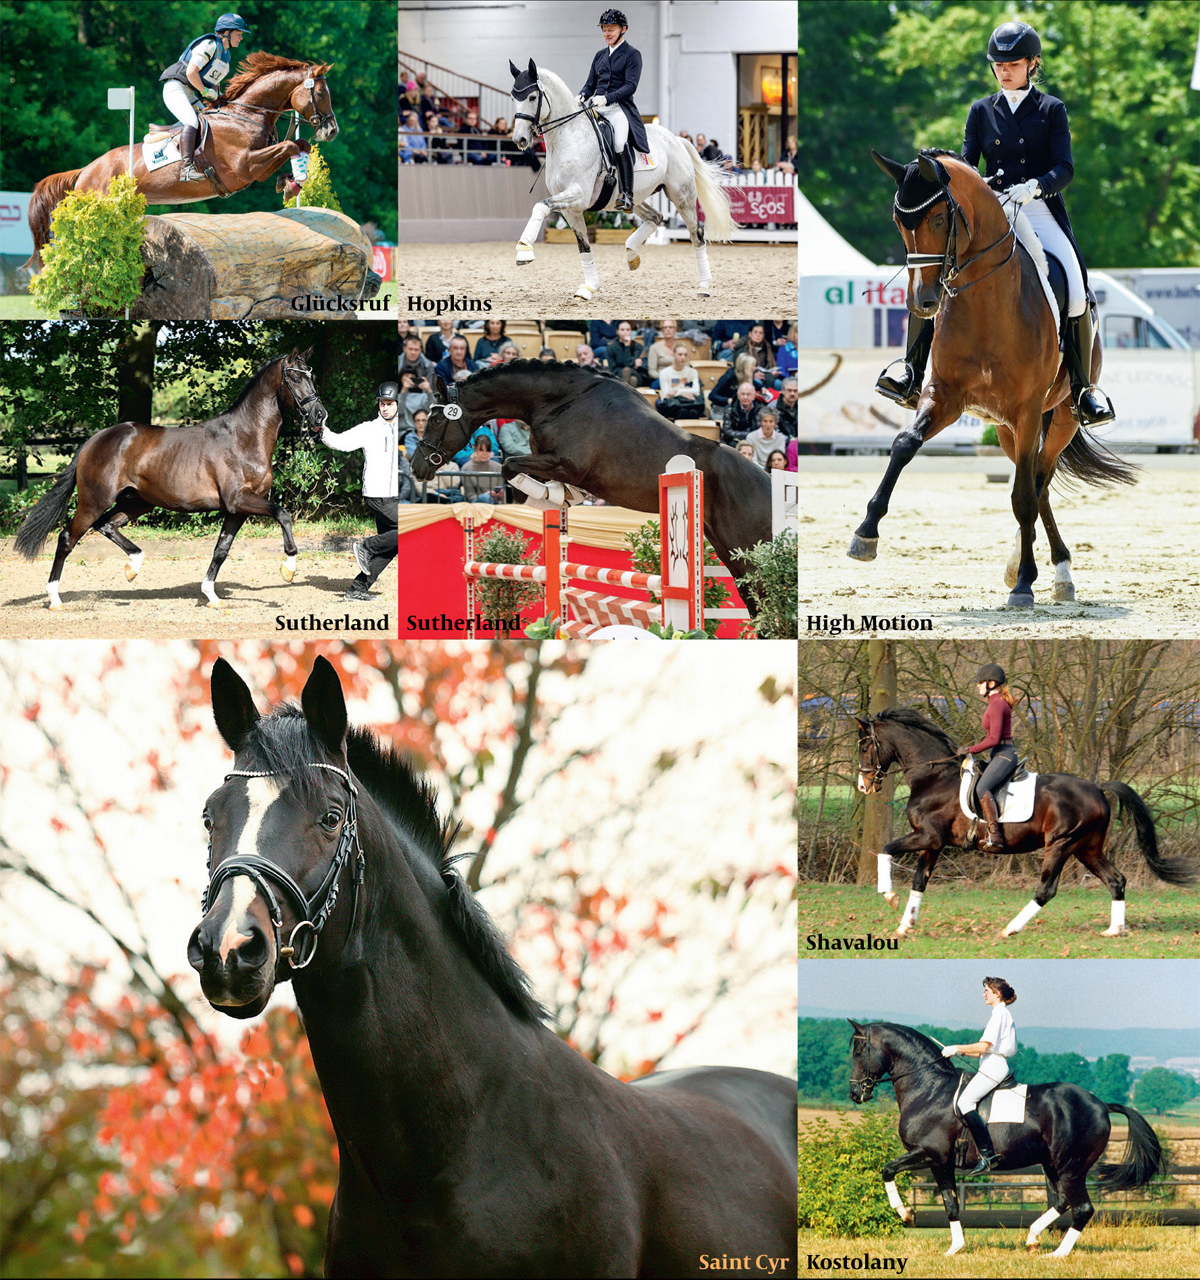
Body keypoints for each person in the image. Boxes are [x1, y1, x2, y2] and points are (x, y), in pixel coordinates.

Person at [877, 21, 1114, 427]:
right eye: (999, 65)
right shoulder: (981, 110)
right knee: (938, 278)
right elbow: (968, 163)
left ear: (1032, 64)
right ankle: (910, 370)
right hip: (993, 210)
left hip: (1039, 208)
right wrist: (981, 186)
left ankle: (1082, 390)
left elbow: (1066, 168)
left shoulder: (1051, 109)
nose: (1005, 71)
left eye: (1014, 64)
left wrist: (1037, 187)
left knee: (1074, 286)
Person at [319, 382, 399, 602]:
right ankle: (365, 545)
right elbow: (341, 442)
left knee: (390, 547)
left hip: (396, 495)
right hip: (377, 495)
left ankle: (356, 590)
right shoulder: (369, 428)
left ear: (397, 405)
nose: (385, 408)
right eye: (382, 403)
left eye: (389, 404)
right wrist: (323, 431)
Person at [159, 12, 249, 184]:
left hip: (190, 93)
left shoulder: (226, 55)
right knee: (192, 121)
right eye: (239, 33)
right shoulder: (209, 45)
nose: (241, 38)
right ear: (226, 32)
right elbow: (191, 72)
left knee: (211, 120)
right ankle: (186, 169)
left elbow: (213, 83)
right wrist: (206, 92)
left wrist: (219, 99)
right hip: (175, 88)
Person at [941, 976, 1019, 1175]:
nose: (984, 993)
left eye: (987, 990)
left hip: (994, 1068)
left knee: (964, 1102)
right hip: (990, 1064)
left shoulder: (999, 1015)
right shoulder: (999, 1014)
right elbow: (980, 1052)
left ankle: (986, 1154)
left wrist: (956, 1047)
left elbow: (983, 1047)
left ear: (997, 994)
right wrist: (959, 1052)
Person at [579, 9, 652, 213]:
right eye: (604, 30)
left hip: (618, 108)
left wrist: (607, 98)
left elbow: (630, 86)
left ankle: (627, 194)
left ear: (623, 30)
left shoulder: (632, 54)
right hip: (597, 108)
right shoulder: (599, 56)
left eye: (611, 29)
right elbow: (589, 84)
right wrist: (582, 95)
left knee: (620, 142)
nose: (607, 33)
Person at [958, 663, 1019, 852]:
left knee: (982, 787)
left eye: (980, 682)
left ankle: (995, 835)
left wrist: (971, 749)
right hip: (998, 755)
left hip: (1005, 755)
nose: (977, 686)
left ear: (991, 683)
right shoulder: (995, 703)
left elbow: (993, 738)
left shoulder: (998, 704)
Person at [656, 343, 704, 420]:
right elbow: (665, 394)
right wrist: (683, 393)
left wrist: (677, 391)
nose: (683, 357)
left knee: (693, 412)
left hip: (690, 404)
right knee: (682, 411)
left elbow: (696, 391)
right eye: (680, 354)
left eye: (685, 355)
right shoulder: (665, 373)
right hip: (674, 405)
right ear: (674, 355)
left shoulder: (693, 372)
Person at [605, 320, 647, 386]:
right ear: (617, 332)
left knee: (627, 370)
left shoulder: (638, 347)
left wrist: (627, 346)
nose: (625, 332)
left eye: (628, 330)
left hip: (636, 374)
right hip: (618, 376)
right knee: (633, 380)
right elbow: (613, 370)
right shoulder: (611, 348)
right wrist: (632, 364)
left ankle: (621, 393)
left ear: (631, 331)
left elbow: (629, 365)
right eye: (622, 330)